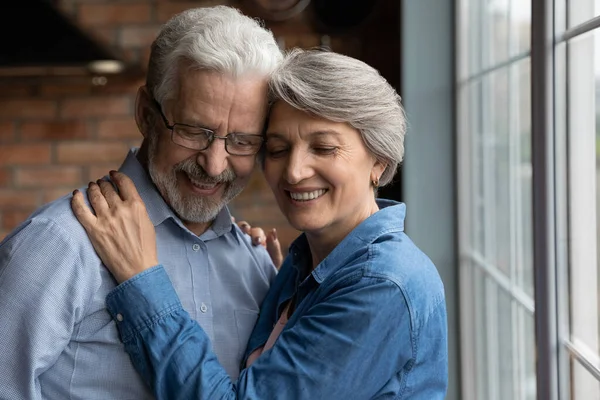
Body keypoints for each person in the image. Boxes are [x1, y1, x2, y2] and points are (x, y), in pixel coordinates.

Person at [71, 49, 449, 399]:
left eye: (323, 147)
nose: (295, 172)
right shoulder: (305, 265)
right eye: (278, 149)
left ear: (379, 161)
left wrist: (142, 278)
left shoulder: (381, 284)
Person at [0, 6, 284, 399]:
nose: (214, 163)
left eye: (242, 140)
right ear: (147, 115)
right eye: (193, 130)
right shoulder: (59, 245)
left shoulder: (256, 265)